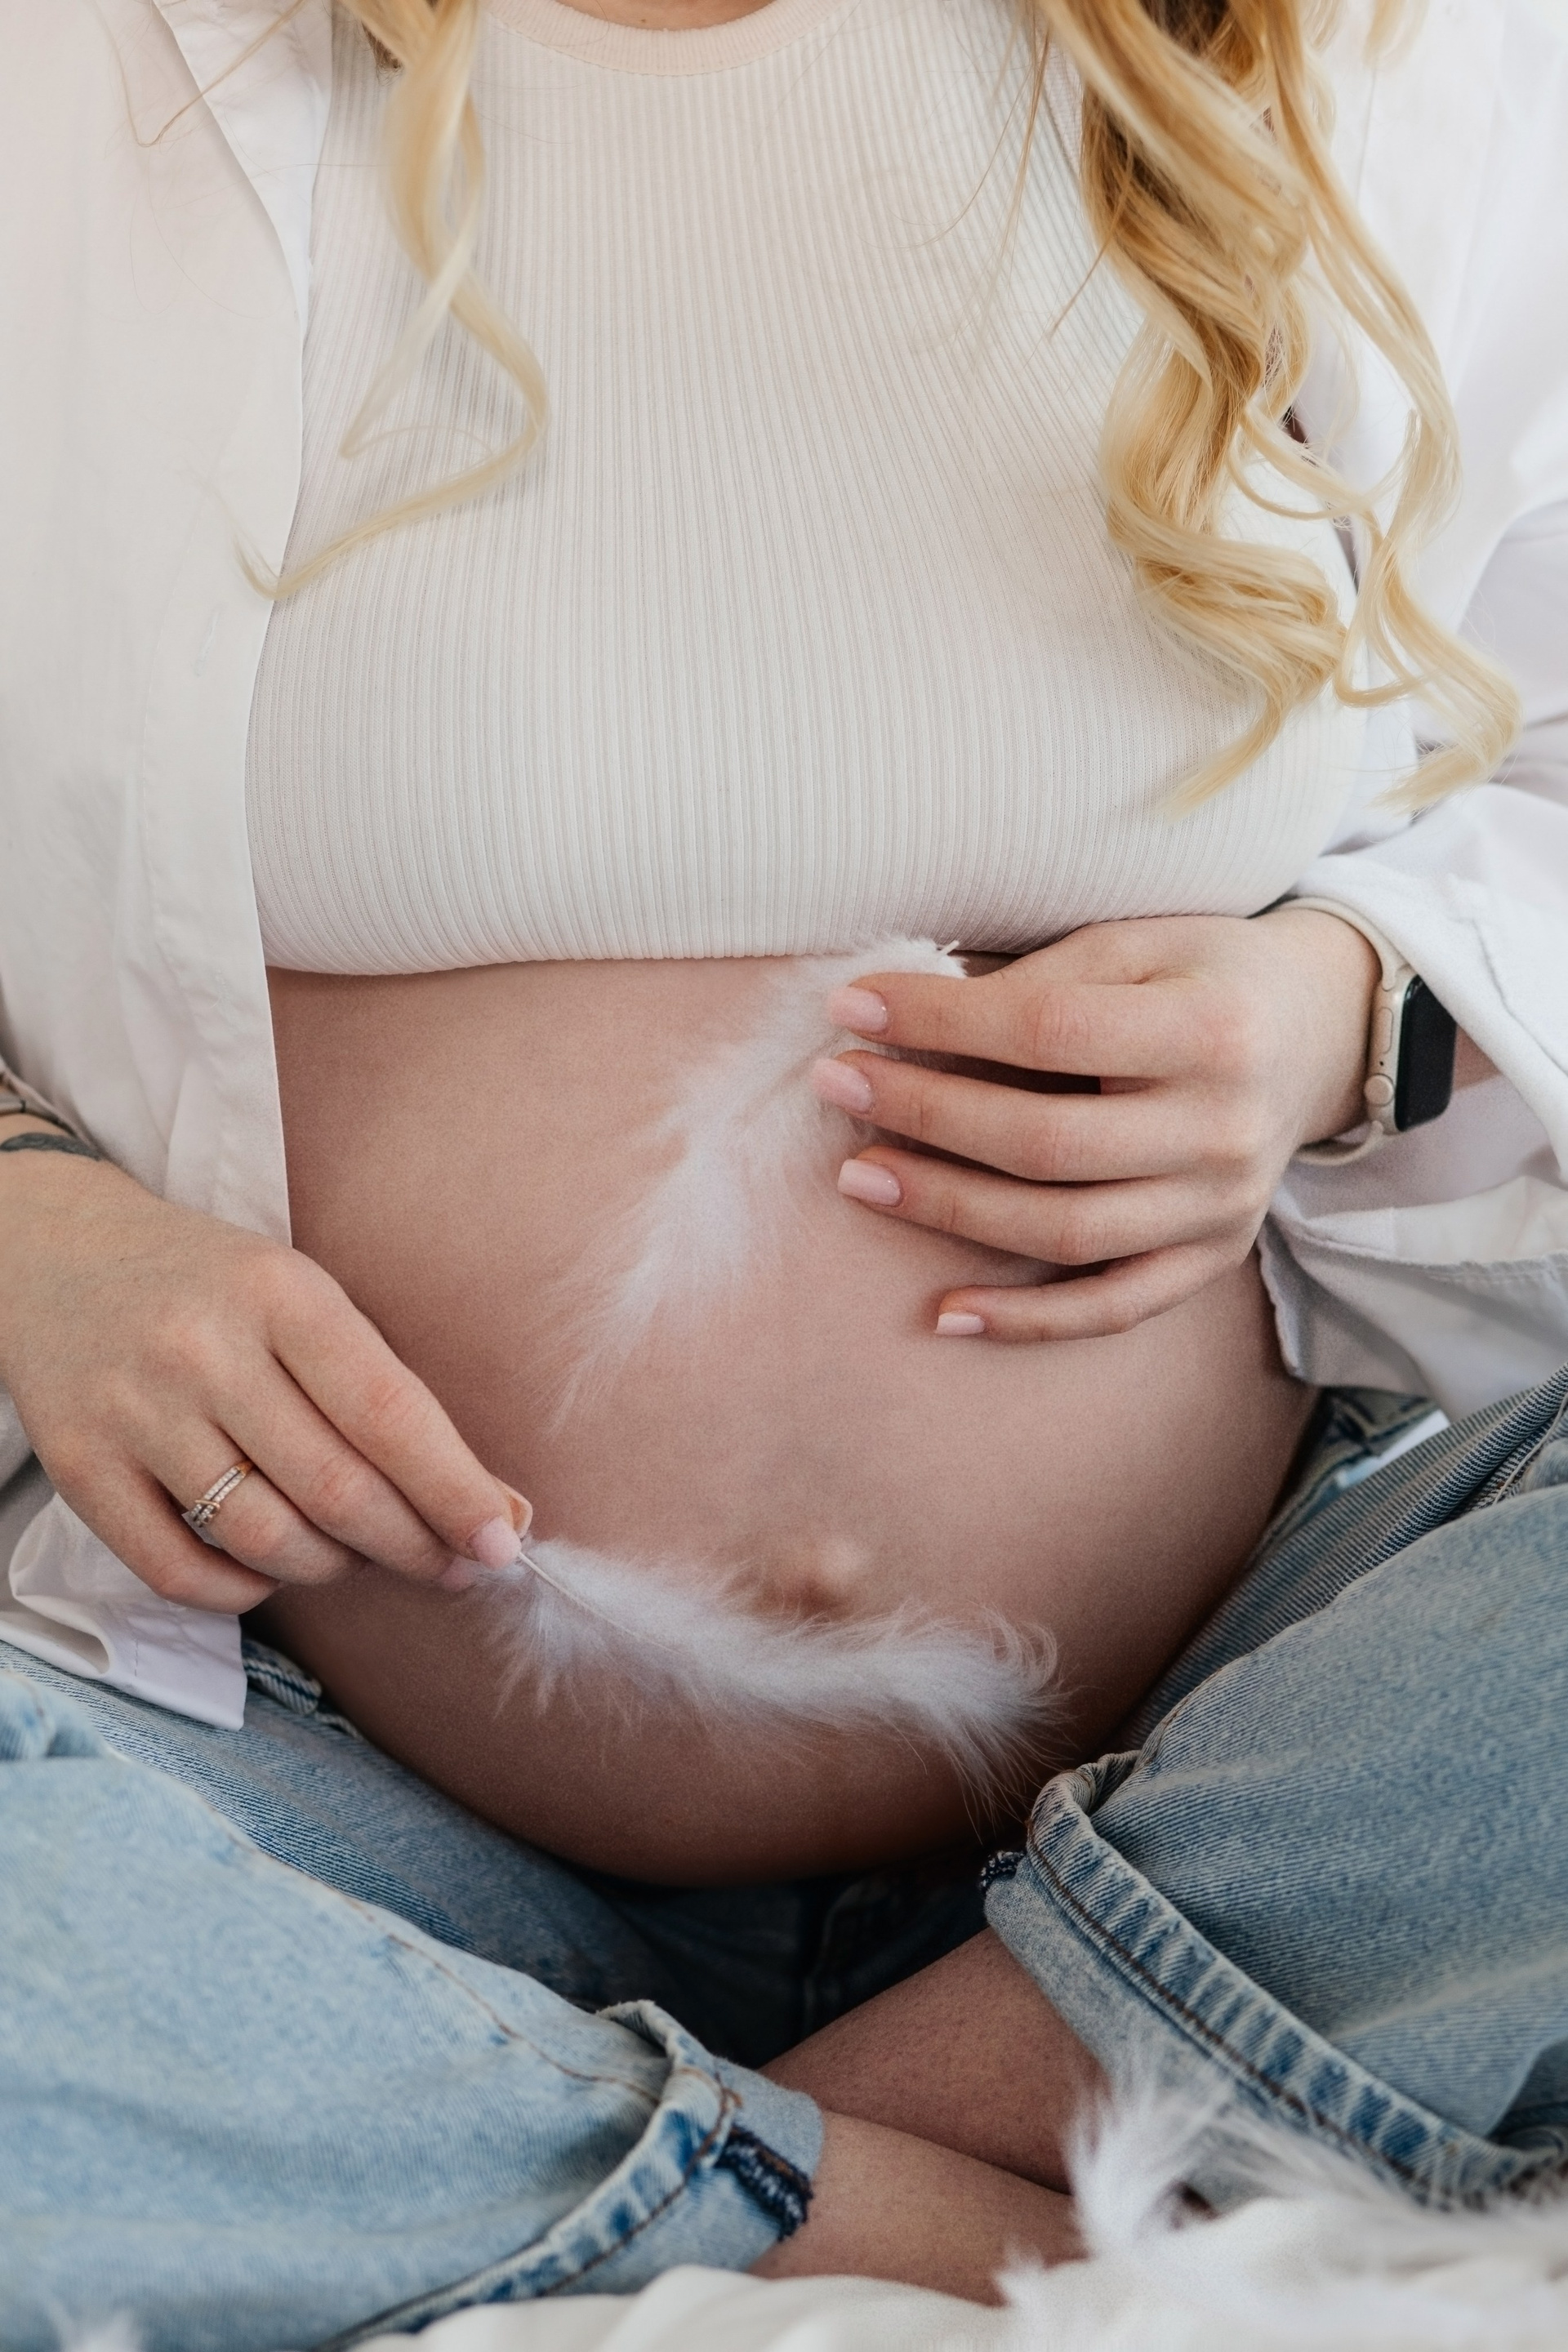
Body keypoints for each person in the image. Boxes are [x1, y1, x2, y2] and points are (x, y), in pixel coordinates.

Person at [1, 0, 1566, 2334]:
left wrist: (1347, 1004)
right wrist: (30, 1215)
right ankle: (940, 2198)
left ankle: (520, 2131)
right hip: (312, 1787)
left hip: (1251, 1729)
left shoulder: (1369, 55)